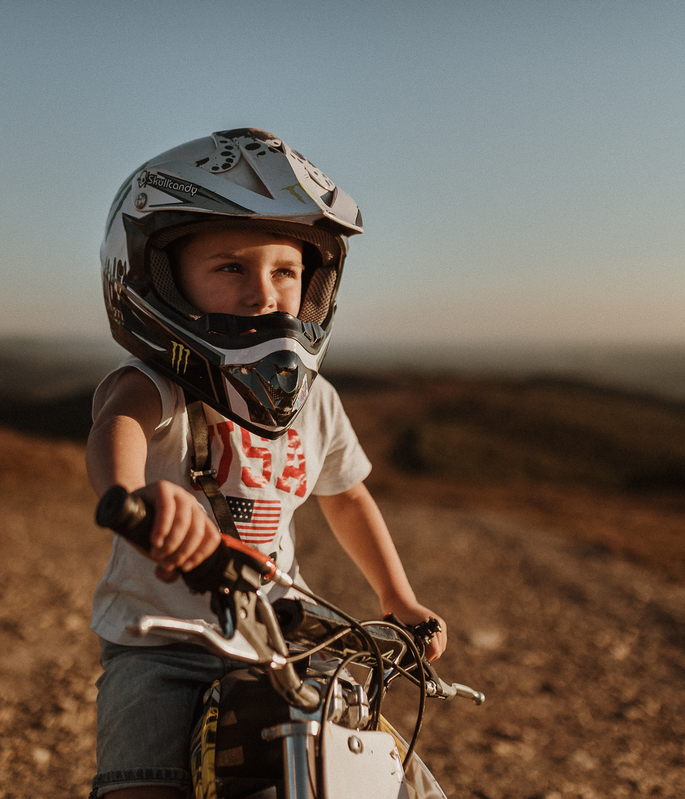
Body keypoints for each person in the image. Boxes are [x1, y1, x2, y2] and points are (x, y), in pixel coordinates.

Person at [86, 128, 446, 799]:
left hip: (283, 639)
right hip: (164, 644)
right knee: (143, 783)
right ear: (157, 276)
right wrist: (134, 496)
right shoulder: (155, 383)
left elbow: (347, 495)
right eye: (230, 268)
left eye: (286, 270)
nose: (266, 292)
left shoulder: (315, 401)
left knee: (390, 777)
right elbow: (119, 426)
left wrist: (396, 597)